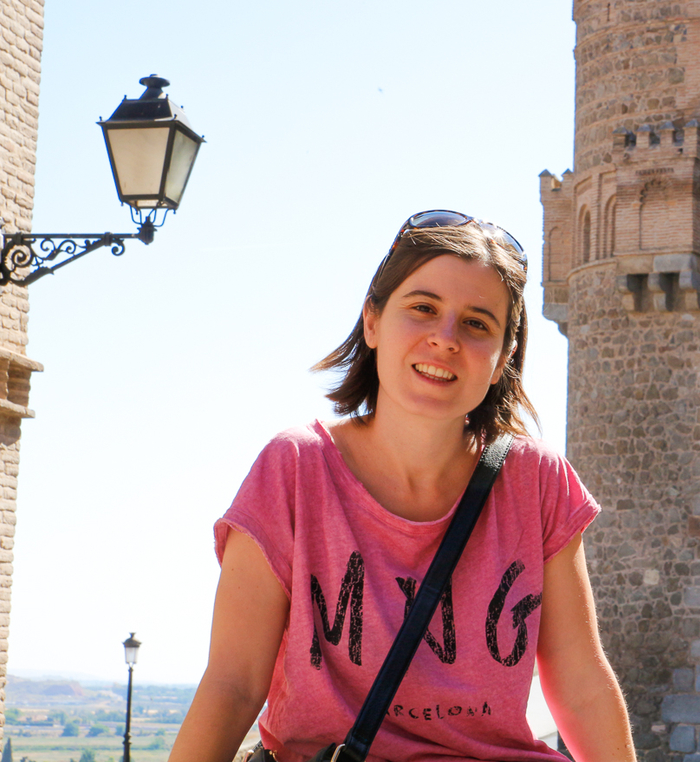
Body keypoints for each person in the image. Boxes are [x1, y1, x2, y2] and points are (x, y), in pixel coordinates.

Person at [169, 211, 635, 762]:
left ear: (502, 359)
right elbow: (234, 683)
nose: (445, 339)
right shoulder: (294, 470)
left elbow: (581, 684)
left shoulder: (537, 483)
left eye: (477, 323)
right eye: (423, 309)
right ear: (372, 321)